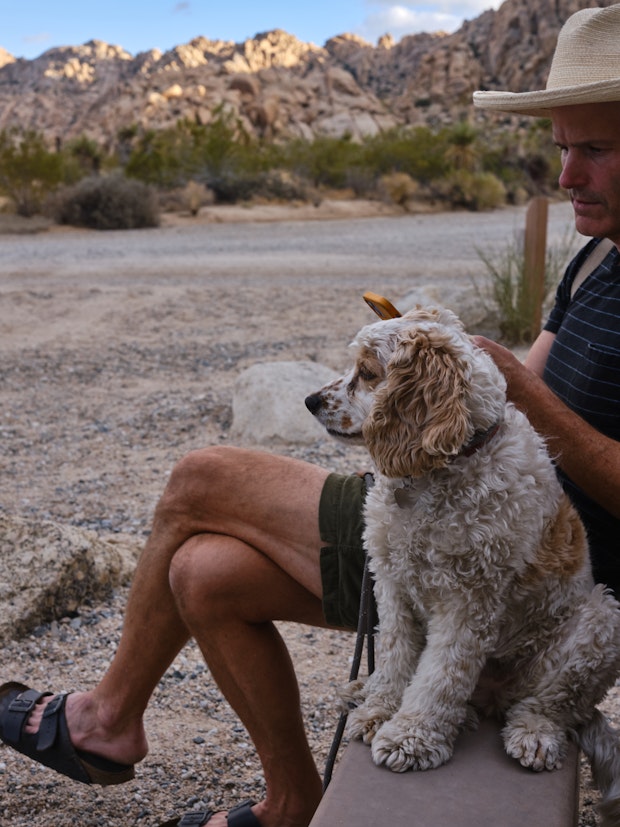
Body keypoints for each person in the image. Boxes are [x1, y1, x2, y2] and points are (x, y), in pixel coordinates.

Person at [1, 6, 620, 827]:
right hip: (456, 497)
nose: (568, 177)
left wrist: (507, 382)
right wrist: (438, 385)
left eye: (596, 150)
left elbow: (526, 397)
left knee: (201, 477)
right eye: (563, 150)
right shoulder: (597, 255)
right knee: (204, 574)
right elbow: (507, 404)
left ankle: (105, 719)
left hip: (523, 560)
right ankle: (293, 801)